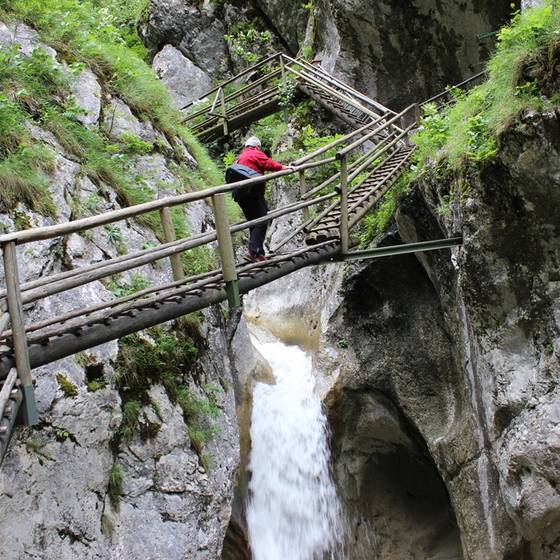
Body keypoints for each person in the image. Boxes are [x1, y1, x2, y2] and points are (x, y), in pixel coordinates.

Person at [231, 136, 294, 262]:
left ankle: (258, 253)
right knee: (262, 220)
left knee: (253, 222)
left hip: (240, 194)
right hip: (252, 192)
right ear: (257, 146)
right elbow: (268, 164)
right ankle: (254, 252)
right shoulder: (254, 153)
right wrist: (285, 167)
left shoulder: (239, 158)